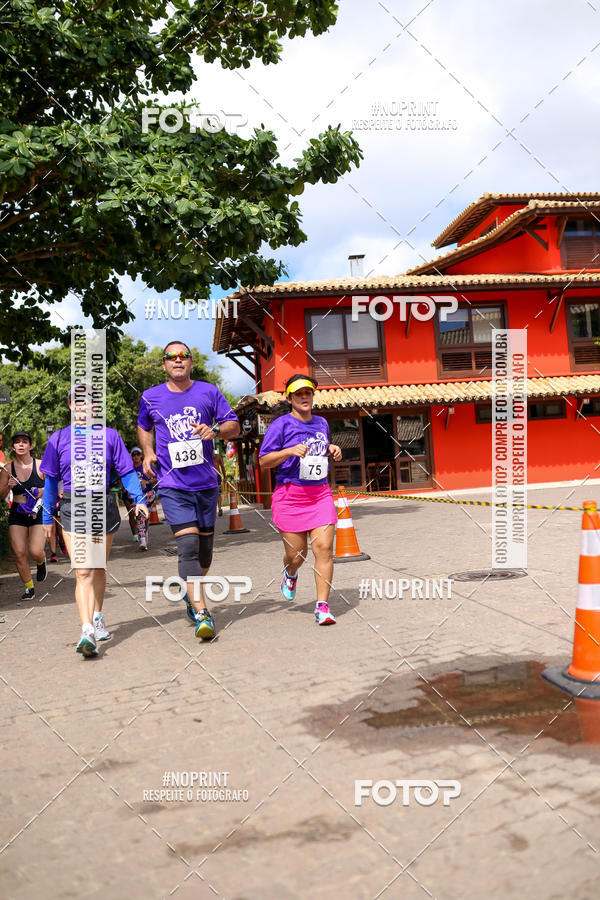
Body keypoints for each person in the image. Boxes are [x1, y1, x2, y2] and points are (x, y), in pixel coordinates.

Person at [137, 341, 240, 640]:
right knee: (188, 546)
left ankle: (189, 593)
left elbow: (233, 424)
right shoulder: (150, 396)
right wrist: (147, 451)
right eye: (172, 357)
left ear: (191, 362)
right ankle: (202, 612)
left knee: (205, 555)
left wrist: (215, 430)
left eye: (184, 356)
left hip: (206, 485)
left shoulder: (209, 391)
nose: (178, 361)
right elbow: (144, 426)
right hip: (172, 485)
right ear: (164, 364)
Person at [40, 384, 148, 657]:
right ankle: (86, 629)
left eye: (87, 401)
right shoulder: (58, 439)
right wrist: (46, 518)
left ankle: (97, 616)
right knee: (83, 571)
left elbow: (127, 472)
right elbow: (51, 481)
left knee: (98, 567)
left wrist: (140, 500)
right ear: (69, 406)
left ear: (95, 407)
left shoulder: (109, 436)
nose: (82, 405)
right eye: (76, 401)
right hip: (71, 507)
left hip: (103, 505)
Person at [259, 374, 342, 626]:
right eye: (299, 394)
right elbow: (263, 462)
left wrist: (331, 448)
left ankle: (322, 607)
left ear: (313, 396)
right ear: (290, 398)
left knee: (324, 550)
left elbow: (319, 447)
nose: (304, 397)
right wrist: (288, 451)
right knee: (298, 555)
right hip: (290, 497)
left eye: (308, 393)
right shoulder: (280, 425)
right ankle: (290, 572)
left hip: (319, 495)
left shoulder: (322, 423)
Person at [0, 431, 47, 600]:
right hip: (17, 514)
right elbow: (0, 494)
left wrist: (42, 490)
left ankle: (41, 562)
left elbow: (54, 489)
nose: (21, 444)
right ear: (13, 446)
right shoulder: (8, 469)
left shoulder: (41, 466)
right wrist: (8, 487)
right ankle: (29, 588)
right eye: (17, 442)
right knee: (19, 552)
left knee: (35, 551)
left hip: (37, 512)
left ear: (30, 446)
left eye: (24, 442)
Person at [120, 447, 157, 551]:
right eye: (133, 454)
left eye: (138, 454)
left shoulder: (146, 465)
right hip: (135, 497)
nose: (135, 456)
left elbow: (157, 477)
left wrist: (147, 482)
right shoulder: (129, 469)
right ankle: (143, 539)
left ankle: (144, 536)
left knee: (143, 516)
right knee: (140, 516)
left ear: (141, 455)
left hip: (148, 494)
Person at [213, 449, 226, 517]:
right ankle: (215, 509)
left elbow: (223, 467)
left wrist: (225, 477)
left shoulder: (218, 456)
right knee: (213, 493)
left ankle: (220, 508)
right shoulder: (207, 457)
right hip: (210, 477)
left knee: (218, 493)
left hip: (217, 476)